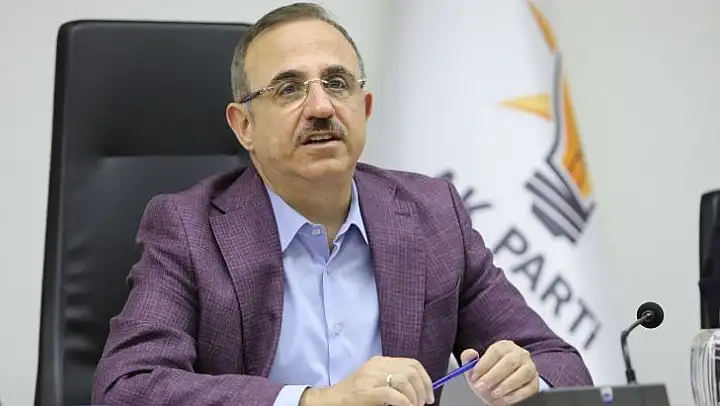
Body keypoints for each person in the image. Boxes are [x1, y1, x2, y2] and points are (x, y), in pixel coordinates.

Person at [92, 2, 593, 405]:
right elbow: (126, 387)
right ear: (244, 126)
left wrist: (526, 378)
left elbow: (562, 364)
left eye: (336, 83)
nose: (320, 107)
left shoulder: (433, 215)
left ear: (364, 108)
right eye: (289, 88)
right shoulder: (187, 228)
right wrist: (314, 401)